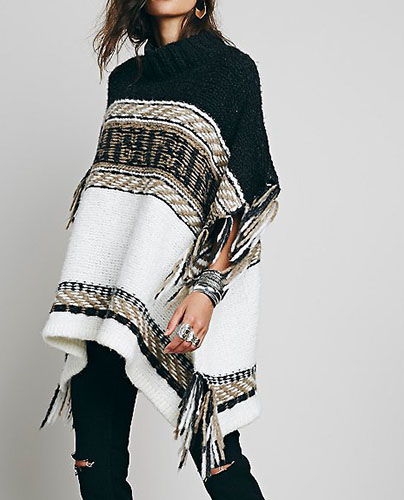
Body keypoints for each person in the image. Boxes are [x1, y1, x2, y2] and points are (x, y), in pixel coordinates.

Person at [39, 1, 281, 498]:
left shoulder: (231, 72)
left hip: (182, 295)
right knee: (95, 465)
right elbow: (115, 193)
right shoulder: (124, 80)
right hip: (108, 291)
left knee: (219, 461)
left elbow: (245, 193)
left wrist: (208, 288)